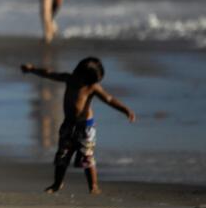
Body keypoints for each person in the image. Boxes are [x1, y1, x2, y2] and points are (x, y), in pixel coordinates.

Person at [21, 57, 136, 195]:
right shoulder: (69, 79)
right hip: (69, 125)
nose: (77, 78)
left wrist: (124, 109)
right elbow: (50, 73)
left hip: (85, 128)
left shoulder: (92, 87)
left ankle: (93, 186)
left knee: (87, 156)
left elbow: (109, 99)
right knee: (62, 156)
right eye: (77, 73)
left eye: (82, 78)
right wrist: (32, 69)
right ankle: (57, 183)